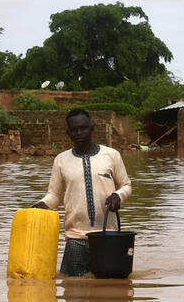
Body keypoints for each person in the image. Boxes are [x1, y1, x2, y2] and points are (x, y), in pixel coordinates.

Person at [33, 108, 132, 276]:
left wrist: (118, 196)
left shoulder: (111, 155)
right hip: (75, 238)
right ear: (68, 133)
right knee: (72, 290)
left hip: (107, 237)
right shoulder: (61, 160)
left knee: (109, 291)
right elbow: (55, 195)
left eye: (83, 128)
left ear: (91, 129)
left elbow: (126, 185)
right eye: (74, 129)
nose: (79, 132)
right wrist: (42, 204)